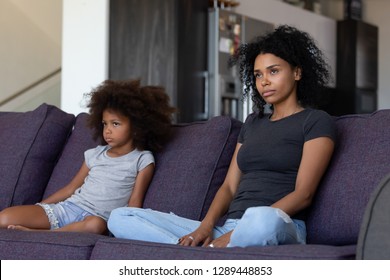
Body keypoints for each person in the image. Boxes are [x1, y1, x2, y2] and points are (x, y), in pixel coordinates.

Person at [107, 25, 336, 247]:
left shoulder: (315, 121)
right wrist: (205, 227)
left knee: (262, 219)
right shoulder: (252, 123)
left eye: (273, 71)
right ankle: (196, 252)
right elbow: (228, 186)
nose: (264, 81)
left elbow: (304, 194)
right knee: (121, 217)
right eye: (257, 75)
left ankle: (210, 251)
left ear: (297, 72)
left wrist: (237, 233)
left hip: (277, 225)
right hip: (229, 227)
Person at [0, 79, 176, 234]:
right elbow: (70, 189)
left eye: (115, 124)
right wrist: (41, 207)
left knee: (95, 226)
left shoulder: (142, 159)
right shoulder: (96, 153)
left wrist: (123, 229)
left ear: (138, 125)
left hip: (95, 220)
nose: (107, 130)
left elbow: (134, 203)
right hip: (66, 209)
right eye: (104, 123)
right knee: (5, 217)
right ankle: (48, 229)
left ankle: (39, 234)